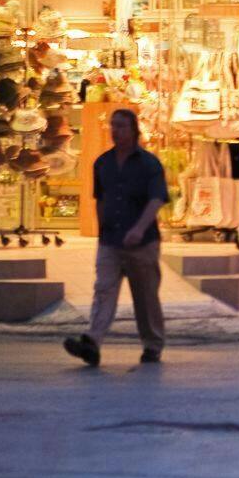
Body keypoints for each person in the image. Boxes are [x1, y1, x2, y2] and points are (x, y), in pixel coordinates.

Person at [64, 108, 168, 367]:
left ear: (134, 130)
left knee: (145, 296)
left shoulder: (149, 164)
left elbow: (157, 199)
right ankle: (92, 342)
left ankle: (152, 345)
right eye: (113, 126)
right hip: (111, 240)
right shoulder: (102, 163)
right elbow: (101, 200)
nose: (116, 131)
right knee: (103, 290)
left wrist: (140, 228)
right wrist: (101, 233)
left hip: (142, 243)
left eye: (121, 126)